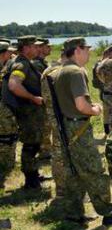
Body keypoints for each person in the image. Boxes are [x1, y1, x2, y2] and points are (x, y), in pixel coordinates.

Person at [53, 37, 112, 226]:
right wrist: (95, 110)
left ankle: (74, 213)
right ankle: (109, 213)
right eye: (86, 50)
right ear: (77, 51)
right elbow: (81, 105)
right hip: (79, 127)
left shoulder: (60, 71)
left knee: (74, 171)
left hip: (67, 127)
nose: (89, 53)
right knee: (96, 170)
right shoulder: (75, 72)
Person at [1, 36, 46, 189]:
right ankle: (30, 179)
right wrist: (33, 98)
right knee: (31, 145)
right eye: (34, 46)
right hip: (28, 112)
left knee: (33, 144)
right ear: (26, 48)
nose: (38, 49)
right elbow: (14, 85)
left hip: (29, 111)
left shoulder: (24, 62)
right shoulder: (21, 64)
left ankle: (33, 174)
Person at [40, 50, 67, 196]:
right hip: (61, 118)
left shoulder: (48, 70)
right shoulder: (59, 72)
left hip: (53, 115)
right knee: (60, 153)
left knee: (58, 152)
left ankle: (62, 188)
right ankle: (63, 189)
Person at [0, 42, 19, 192]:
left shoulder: (4, 67)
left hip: (5, 111)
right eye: (9, 52)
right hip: (3, 113)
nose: (11, 55)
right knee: (6, 141)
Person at [92, 48, 111, 135]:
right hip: (106, 91)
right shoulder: (103, 65)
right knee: (109, 111)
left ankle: (107, 130)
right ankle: (108, 130)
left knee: (106, 111)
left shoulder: (98, 64)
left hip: (103, 91)